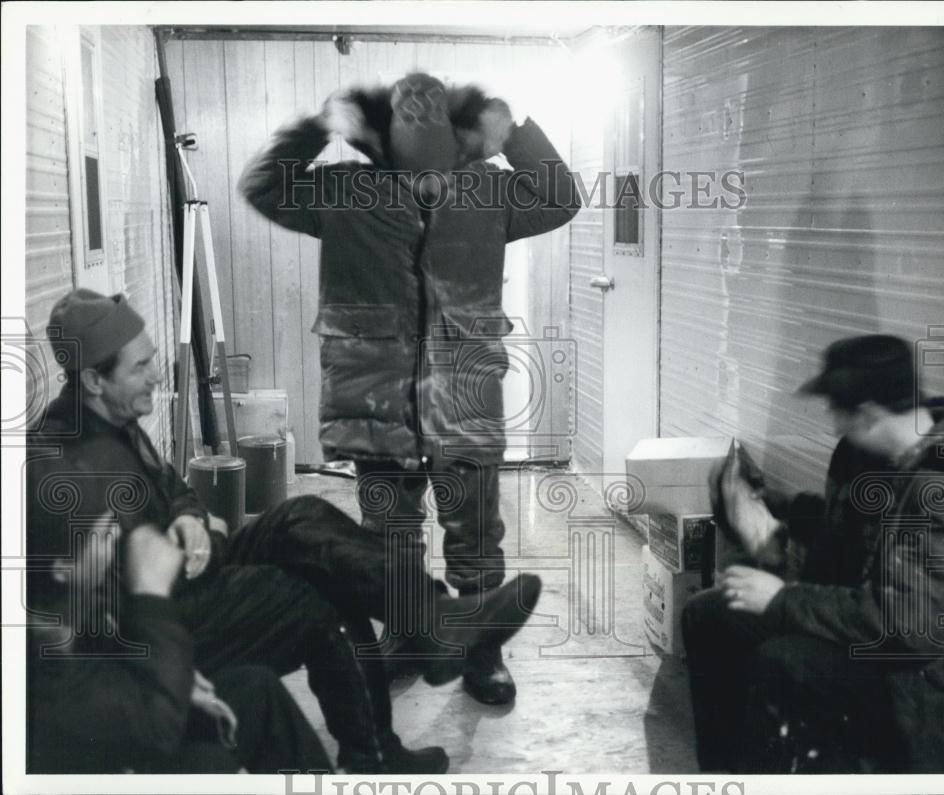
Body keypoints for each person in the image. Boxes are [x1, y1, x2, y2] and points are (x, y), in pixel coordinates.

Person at [27, 288, 543, 774]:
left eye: (153, 358)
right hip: (162, 617)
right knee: (317, 597)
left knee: (303, 520)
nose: (157, 376)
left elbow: (170, 485)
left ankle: (431, 618)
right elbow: (83, 615)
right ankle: (375, 752)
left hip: (189, 566)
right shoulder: (63, 468)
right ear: (94, 379)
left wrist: (187, 515)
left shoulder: (110, 414)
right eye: (141, 367)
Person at [240, 72, 579, 705]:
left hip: (464, 399)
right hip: (376, 402)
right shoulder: (343, 190)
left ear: (458, 142)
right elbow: (262, 187)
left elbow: (563, 197)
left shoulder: (489, 190)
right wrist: (318, 128)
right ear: (384, 142)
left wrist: (517, 134)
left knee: (475, 536)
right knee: (389, 536)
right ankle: (406, 636)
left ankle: (481, 647)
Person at [681, 334, 944, 773]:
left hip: (923, 676)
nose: (834, 425)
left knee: (786, 660)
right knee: (709, 615)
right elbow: (855, 536)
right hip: (872, 626)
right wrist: (772, 514)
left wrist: (782, 600)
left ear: (870, 413)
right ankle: (726, 773)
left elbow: (909, 628)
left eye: (838, 412)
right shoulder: (869, 454)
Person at [27, 517, 333, 774]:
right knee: (212, 765)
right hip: (113, 765)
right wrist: (151, 593)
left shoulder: (77, 597)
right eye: (103, 533)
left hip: (133, 723)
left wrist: (179, 680)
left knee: (258, 688)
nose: (116, 534)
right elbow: (153, 731)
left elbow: (113, 663)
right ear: (62, 565)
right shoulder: (38, 650)